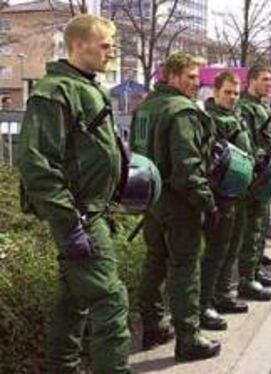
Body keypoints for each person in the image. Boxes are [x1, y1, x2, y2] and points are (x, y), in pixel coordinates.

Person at [17, 15, 132, 372]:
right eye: (105, 45)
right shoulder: (55, 92)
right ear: (79, 45)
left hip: (91, 212)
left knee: (74, 300)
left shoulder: (83, 85)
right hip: (80, 215)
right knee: (110, 299)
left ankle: (61, 367)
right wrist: (70, 225)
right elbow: (37, 166)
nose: (111, 52)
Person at [132, 52, 221, 361]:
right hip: (179, 201)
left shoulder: (144, 108)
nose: (196, 83)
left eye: (197, 78)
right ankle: (188, 336)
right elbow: (187, 165)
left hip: (151, 197)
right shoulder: (181, 111)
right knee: (185, 266)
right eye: (190, 77)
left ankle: (153, 324)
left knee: (155, 260)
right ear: (171, 76)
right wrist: (206, 203)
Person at [201, 71, 253, 317]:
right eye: (228, 93)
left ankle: (222, 294)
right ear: (215, 91)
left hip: (238, 192)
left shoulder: (234, 115)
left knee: (232, 246)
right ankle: (206, 302)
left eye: (236, 93)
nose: (232, 97)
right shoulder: (210, 119)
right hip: (221, 193)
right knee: (216, 251)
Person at [236, 64, 271, 299]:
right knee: (251, 229)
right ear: (251, 81)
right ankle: (246, 279)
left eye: (270, 79)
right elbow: (247, 144)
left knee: (260, 227)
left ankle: (254, 271)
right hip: (254, 177)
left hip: (264, 176)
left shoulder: (260, 107)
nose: (268, 83)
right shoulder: (244, 109)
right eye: (264, 79)